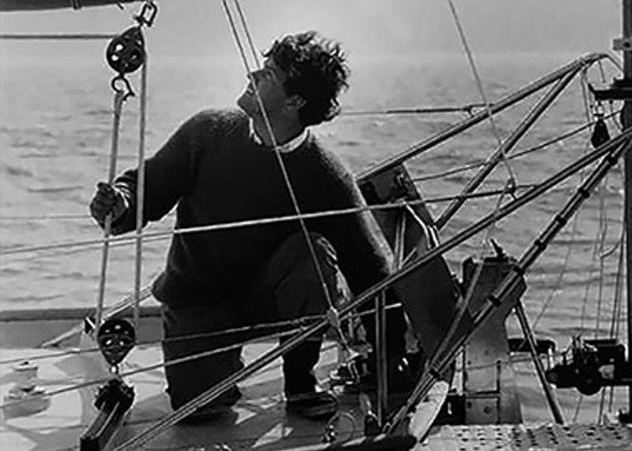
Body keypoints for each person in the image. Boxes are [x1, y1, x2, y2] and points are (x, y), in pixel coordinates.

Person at [90, 31, 405, 422]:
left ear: (295, 102)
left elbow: (371, 269)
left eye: (269, 74)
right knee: (199, 412)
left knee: (314, 252)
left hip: (269, 298)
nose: (253, 74)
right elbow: (146, 188)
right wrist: (119, 202)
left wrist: (392, 356)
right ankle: (221, 370)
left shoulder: (324, 174)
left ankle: (301, 385)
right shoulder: (207, 132)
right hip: (200, 301)